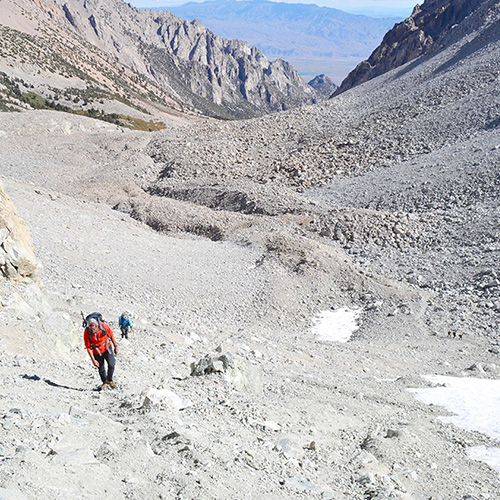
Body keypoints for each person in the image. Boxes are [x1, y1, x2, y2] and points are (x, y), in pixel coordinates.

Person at [84, 317, 118, 389]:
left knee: (111, 364)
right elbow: (88, 347)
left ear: (97, 325)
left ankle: (109, 380)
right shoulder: (87, 332)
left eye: (94, 328)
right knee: (100, 367)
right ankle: (104, 382)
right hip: (96, 351)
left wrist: (115, 346)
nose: (93, 330)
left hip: (106, 348)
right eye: (91, 328)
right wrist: (93, 360)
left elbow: (111, 335)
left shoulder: (104, 326)